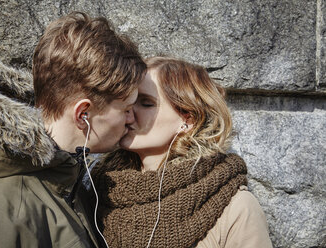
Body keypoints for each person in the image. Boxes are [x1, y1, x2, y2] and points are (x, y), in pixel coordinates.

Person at [0, 12, 146, 247]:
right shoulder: (2, 214)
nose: (131, 118)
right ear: (82, 114)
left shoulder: (65, 179)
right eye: (126, 108)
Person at [92, 56, 273, 248]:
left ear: (188, 119)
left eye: (146, 103)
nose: (128, 112)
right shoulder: (98, 190)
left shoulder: (236, 207)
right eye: (128, 100)